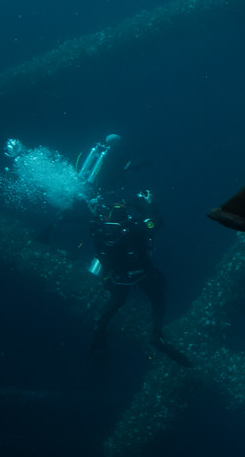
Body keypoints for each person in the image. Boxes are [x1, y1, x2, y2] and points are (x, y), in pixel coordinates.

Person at [80, 135, 192, 368]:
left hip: (117, 277)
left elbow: (96, 234)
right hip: (141, 273)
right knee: (158, 297)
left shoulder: (99, 228)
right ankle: (156, 334)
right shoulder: (136, 227)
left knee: (114, 304)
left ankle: (100, 332)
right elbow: (157, 221)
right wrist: (150, 202)